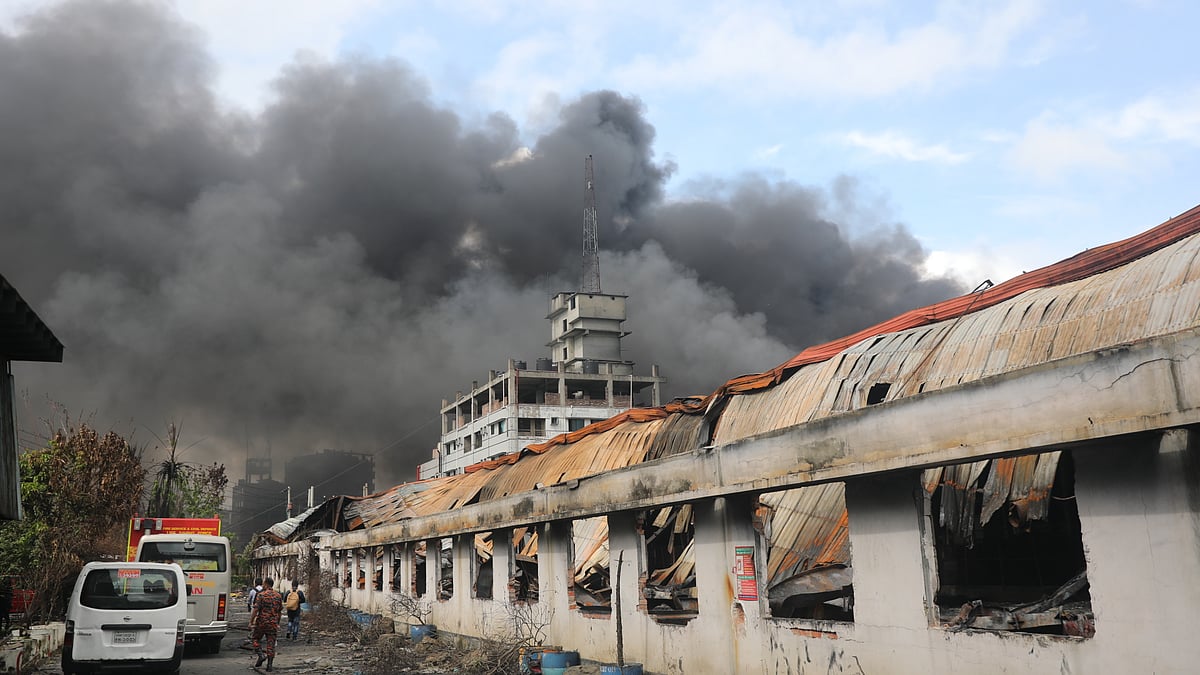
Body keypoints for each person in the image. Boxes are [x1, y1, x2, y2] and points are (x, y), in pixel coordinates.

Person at [249, 577, 283, 671]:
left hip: (262, 622)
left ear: (267, 584)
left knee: (255, 639)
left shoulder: (261, 595)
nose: (263, 585)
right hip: (273, 623)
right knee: (271, 643)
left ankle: (261, 655)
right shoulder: (278, 596)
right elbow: (279, 612)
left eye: (264, 584)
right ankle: (269, 665)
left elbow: (256, 609)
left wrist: (251, 622)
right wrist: (277, 623)